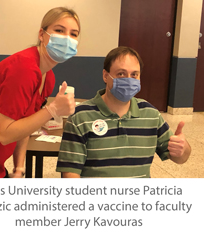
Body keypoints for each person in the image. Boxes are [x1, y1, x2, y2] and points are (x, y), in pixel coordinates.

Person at [0, 7, 80, 178]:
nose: (66, 38)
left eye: (73, 34)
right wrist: (52, 110)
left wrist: (19, 168)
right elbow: (6, 134)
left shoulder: (47, 77)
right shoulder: (24, 68)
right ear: (41, 35)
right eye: (59, 30)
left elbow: (27, 124)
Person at [56, 46, 191, 178]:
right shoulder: (80, 117)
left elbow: (179, 158)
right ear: (105, 76)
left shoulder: (151, 115)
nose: (128, 79)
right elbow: (70, 172)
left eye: (134, 75)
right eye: (121, 74)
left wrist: (183, 149)